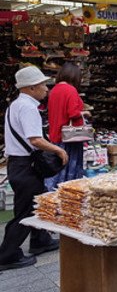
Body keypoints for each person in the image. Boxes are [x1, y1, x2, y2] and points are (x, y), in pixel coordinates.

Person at [0, 66, 68, 270]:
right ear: (30, 88)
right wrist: (58, 150)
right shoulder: (29, 108)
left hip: (18, 164)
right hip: (25, 165)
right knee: (25, 211)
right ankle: (7, 254)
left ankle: (41, 240)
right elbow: (35, 139)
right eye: (42, 85)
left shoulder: (15, 105)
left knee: (37, 202)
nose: (46, 89)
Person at [46, 62, 90, 190]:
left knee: (56, 173)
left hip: (56, 135)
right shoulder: (71, 90)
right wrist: (84, 113)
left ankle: (52, 199)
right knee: (70, 175)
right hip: (70, 137)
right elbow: (73, 113)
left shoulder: (54, 90)